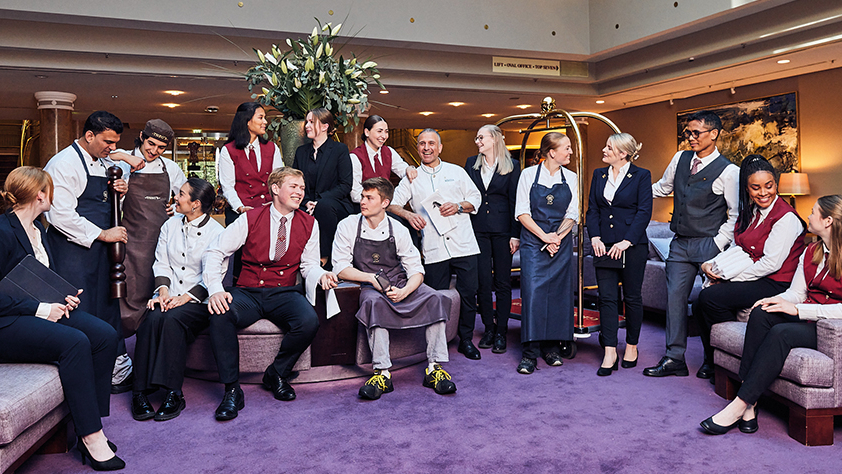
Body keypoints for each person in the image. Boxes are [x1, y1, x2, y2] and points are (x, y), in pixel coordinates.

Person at [0, 167, 123, 471]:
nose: (52, 196)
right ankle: (91, 435)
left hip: (33, 309)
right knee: (75, 342)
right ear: (40, 194)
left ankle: (90, 421)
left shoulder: (38, 230)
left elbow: (36, 280)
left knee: (105, 336)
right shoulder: (2, 232)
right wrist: (42, 309)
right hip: (7, 321)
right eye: (50, 190)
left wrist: (62, 296)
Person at [700, 195, 842, 435]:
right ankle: (750, 403)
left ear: (827, 221)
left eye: (813, 212)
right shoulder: (811, 250)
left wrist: (798, 309)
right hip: (807, 315)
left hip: (830, 329)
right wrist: (777, 300)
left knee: (781, 332)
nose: (808, 216)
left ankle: (739, 404)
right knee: (761, 312)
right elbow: (797, 292)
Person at [203, 167, 338, 420]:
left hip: (284, 292)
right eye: (293, 186)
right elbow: (215, 251)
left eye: (302, 188)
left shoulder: (310, 223)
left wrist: (321, 275)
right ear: (275, 189)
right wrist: (216, 290)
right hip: (248, 291)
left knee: (308, 321)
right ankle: (232, 390)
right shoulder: (249, 218)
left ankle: (276, 373)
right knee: (220, 315)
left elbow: (309, 265)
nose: (300, 192)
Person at [43, 110, 144, 394]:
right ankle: (80, 375)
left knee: (106, 306)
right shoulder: (62, 163)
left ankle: (113, 371)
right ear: (89, 135)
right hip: (71, 251)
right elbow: (59, 215)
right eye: (108, 142)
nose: (112, 148)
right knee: (80, 308)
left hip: (101, 251)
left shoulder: (102, 161)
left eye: (116, 143)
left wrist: (120, 192)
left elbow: (103, 201)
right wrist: (103, 234)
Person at [333, 177, 456, 399]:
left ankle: (434, 369)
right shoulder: (348, 225)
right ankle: (382, 373)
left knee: (435, 298)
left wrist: (405, 291)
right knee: (373, 303)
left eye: (369, 198)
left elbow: (416, 270)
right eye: (362, 196)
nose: (363, 202)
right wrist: (371, 278)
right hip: (370, 284)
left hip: (400, 282)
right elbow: (341, 268)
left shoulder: (397, 229)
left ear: (385, 203)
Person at [644, 110, 740, 377]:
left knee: (708, 303)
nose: (690, 137)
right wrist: (632, 191)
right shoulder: (680, 158)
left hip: (709, 245)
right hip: (679, 244)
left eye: (696, 133)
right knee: (674, 301)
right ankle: (674, 358)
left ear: (714, 134)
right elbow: (663, 188)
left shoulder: (730, 171)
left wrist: (717, 245)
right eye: (688, 132)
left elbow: (735, 215)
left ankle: (713, 360)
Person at [693, 155, 805, 380]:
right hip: (755, 276)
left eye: (769, 186)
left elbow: (770, 264)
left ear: (776, 184)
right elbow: (737, 247)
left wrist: (728, 280)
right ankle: (714, 360)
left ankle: (730, 363)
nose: (763, 193)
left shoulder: (786, 218)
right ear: (747, 189)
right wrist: (712, 265)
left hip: (776, 282)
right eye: (756, 188)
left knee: (710, 298)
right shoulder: (750, 212)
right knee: (698, 304)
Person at [130, 178, 223, 422]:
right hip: (168, 295)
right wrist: (163, 292)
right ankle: (139, 392)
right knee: (150, 319)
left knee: (171, 320)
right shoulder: (169, 225)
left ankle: (174, 393)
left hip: (198, 302)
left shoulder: (217, 233)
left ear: (196, 204)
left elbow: (213, 276)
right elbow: (161, 262)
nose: (176, 198)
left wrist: (184, 298)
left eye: (181, 194)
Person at [387, 129, 483, 360]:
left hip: (463, 244)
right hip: (433, 248)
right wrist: (408, 215)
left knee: (468, 294)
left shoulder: (456, 171)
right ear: (418, 148)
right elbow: (391, 204)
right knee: (436, 297)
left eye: (431, 143)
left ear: (440, 148)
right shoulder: (412, 177)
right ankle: (438, 342)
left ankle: (466, 340)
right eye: (422, 143)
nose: (426, 148)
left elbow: (476, 198)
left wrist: (458, 206)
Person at [110, 119, 187, 336]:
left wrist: (176, 210)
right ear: (142, 137)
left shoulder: (170, 168)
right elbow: (105, 156)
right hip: (131, 242)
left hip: (162, 242)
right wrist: (126, 158)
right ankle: (126, 342)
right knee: (132, 291)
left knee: (158, 290)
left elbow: (187, 199)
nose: (154, 151)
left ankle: (150, 339)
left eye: (161, 147)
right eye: (151, 144)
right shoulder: (123, 162)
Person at [586, 133, 652, 376]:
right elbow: (592, 209)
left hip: (632, 246)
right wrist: (594, 236)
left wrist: (626, 241)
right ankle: (610, 351)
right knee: (606, 298)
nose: (604, 150)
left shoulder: (641, 175)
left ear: (623, 153)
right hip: (603, 245)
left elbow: (644, 212)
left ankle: (632, 346)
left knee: (632, 297)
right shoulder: (599, 174)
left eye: (609, 147)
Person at [514, 132, 579, 374]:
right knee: (533, 293)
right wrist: (544, 236)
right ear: (552, 152)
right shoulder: (527, 175)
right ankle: (530, 352)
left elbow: (573, 213)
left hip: (560, 242)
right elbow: (522, 212)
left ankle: (551, 348)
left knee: (558, 294)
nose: (570, 152)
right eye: (566, 148)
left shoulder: (571, 178)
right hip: (533, 241)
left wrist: (557, 238)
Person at [465, 124, 521, 354]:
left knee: (503, 283)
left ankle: (501, 332)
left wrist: (515, 234)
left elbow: (516, 201)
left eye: (481, 138)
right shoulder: (471, 163)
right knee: (483, 282)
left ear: (495, 139)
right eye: (476, 138)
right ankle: (489, 328)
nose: (477, 142)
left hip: (503, 230)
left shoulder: (513, 165)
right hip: (478, 229)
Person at [292, 107, 355, 266]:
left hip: (335, 204)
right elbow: (295, 182)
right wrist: (306, 201)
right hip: (306, 203)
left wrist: (319, 201)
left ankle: (325, 257)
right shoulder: (301, 152)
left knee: (324, 207)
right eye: (307, 122)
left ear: (325, 126)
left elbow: (345, 185)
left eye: (311, 122)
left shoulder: (340, 150)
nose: (307, 125)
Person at [218, 102, 283, 225]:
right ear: (247, 121)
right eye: (260, 117)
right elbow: (227, 186)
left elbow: (279, 181)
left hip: (269, 212)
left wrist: (276, 205)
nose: (265, 122)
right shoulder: (228, 150)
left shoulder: (272, 148)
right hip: (239, 215)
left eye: (265, 118)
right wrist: (240, 208)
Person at [349, 115, 417, 203]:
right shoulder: (355, 156)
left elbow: (404, 171)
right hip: (364, 207)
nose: (384, 136)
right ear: (367, 132)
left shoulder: (389, 151)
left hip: (385, 205)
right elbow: (355, 194)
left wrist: (410, 168)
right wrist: (377, 202)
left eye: (386, 132)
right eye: (379, 131)